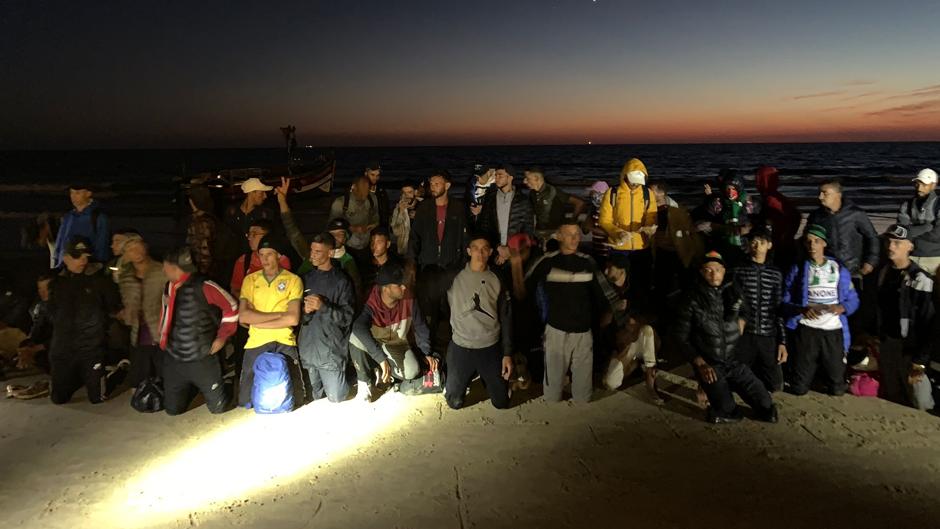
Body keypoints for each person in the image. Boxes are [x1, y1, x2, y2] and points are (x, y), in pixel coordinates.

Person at [509, 221, 610, 403]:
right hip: (556, 334)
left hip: (583, 335)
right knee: (552, 397)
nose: (574, 238)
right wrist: (516, 265)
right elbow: (521, 293)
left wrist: (607, 317)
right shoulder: (547, 261)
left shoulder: (588, 262)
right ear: (559, 236)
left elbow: (604, 295)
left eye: (577, 234)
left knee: (583, 398)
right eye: (569, 234)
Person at [675, 251, 778, 423]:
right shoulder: (691, 299)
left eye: (718, 269)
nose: (714, 274)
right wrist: (700, 364)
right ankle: (717, 396)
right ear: (701, 272)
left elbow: (746, 310)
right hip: (710, 364)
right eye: (708, 270)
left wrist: (742, 322)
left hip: (733, 360)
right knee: (726, 411)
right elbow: (680, 337)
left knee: (767, 407)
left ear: (724, 271)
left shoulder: (732, 291)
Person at [159, 247, 240, 415]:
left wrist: (222, 337)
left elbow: (231, 306)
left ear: (175, 267)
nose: (163, 269)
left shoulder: (205, 285)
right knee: (173, 410)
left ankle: (229, 383)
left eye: (165, 266)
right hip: (175, 357)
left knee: (218, 408)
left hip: (202, 356)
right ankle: (191, 386)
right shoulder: (169, 287)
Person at [782, 225, 860, 396]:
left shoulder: (839, 268)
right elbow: (784, 299)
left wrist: (843, 307)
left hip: (833, 329)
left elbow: (853, 298)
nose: (812, 245)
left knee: (837, 388)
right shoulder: (798, 268)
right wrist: (800, 309)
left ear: (824, 244)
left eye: (816, 241)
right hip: (807, 328)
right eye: (808, 241)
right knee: (799, 388)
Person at [349, 262, 438, 402]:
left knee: (412, 371)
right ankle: (364, 383)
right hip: (375, 342)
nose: (404, 287)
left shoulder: (409, 299)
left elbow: (421, 326)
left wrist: (426, 353)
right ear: (385, 288)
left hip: (397, 344)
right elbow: (358, 326)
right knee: (355, 337)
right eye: (398, 285)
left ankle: (385, 374)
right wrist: (380, 358)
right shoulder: (371, 299)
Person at [47, 237, 122, 404]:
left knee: (97, 398)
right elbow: (50, 311)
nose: (83, 260)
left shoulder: (100, 281)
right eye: (77, 256)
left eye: (85, 256)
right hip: (63, 347)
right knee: (58, 399)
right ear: (66, 258)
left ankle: (117, 371)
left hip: (91, 347)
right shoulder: (57, 283)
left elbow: (114, 307)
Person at [444, 234, 514, 409]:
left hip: (489, 346)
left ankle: (488, 378)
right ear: (469, 251)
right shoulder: (453, 276)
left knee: (501, 402)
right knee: (454, 403)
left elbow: (506, 317)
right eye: (475, 248)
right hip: (461, 345)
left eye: (484, 249)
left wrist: (507, 353)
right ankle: (463, 379)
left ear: (490, 252)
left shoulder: (497, 278)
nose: (480, 253)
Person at [872, 224, 937, 411]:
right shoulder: (883, 273)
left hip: (910, 349)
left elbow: (929, 323)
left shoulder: (921, 279)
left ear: (910, 246)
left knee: (920, 400)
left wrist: (921, 360)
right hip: (888, 343)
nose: (891, 246)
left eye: (897, 243)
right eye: (889, 241)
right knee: (892, 393)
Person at [236, 235, 303, 408]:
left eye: (269, 254)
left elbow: (293, 318)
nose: (264, 259)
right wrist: (279, 315)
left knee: (298, 398)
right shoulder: (250, 280)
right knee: (244, 401)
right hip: (256, 340)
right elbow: (243, 316)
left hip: (284, 339)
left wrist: (257, 320)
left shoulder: (293, 280)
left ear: (279, 256)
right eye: (261, 254)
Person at [407, 169, 469, 354]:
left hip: (452, 267)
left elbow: (466, 238)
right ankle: (429, 355)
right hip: (429, 267)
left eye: (437, 183)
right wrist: (412, 263)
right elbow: (415, 237)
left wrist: (464, 263)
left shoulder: (458, 208)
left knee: (453, 313)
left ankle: (455, 353)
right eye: (431, 184)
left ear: (447, 185)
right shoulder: (424, 208)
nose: (432, 187)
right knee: (429, 314)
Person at [298, 233, 356, 403]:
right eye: (311, 251)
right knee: (313, 395)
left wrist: (323, 307)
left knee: (336, 397)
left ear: (330, 253)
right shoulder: (305, 279)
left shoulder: (341, 281)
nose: (312, 255)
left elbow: (347, 317)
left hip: (330, 351)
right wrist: (305, 312)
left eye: (317, 252)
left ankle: (351, 374)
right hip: (308, 349)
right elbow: (296, 317)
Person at [731, 226, 787, 392]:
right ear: (748, 245)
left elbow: (779, 308)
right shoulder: (738, 271)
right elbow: (732, 302)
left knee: (776, 386)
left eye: (761, 242)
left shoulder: (776, 274)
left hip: (767, 335)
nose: (757, 246)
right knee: (734, 381)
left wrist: (782, 342)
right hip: (745, 334)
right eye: (753, 242)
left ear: (769, 245)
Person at [597, 158, 658, 310]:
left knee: (641, 284)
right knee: (617, 286)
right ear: (625, 175)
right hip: (618, 248)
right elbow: (604, 220)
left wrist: (650, 228)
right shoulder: (612, 193)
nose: (635, 184)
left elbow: (652, 217)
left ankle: (638, 316)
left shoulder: (647, 194)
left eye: (639, 181)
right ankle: (617, 317)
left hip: (642, 248)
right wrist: (618, 233)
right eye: (633, 180)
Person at [116, 235, 168, 388]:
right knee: (140, 379)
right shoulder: (125, 277)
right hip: (138, 331)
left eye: (138, 247)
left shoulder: (161, 271)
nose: (136, 252)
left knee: (163, 375)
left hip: (160, 329)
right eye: (130, 250)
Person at [806, 179, 879, 277]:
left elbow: (872, 237)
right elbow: (806, 239)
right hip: (826, 270)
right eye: (819, 193)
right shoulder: (816, 216)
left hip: (852, 270)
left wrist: (870, 261)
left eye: (825, 193)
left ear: (838, 195)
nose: (820, 197)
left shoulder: (855, 214)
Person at [648, 181, 703, 304]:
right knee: (661, 286)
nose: (647, 193)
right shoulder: (649, 210)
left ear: (661, 193)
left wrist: (697, 254)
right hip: (661, 252)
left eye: (651, 190)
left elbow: (690, 232)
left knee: (685, 285)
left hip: (679, 253)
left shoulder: (677, 210)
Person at [476, 164, 534, 267]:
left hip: (516, 254)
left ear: (510, 177)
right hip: (494, 253)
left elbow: (528, 230)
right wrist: (498, 248)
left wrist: (510, 250)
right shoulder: (489, 199)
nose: (496, 178)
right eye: (495, 175)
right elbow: (484, 227)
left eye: (500, 175)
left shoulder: (523, 201)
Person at [186, 185, 236, 287]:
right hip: (220, 273)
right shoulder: (215, 220)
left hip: (208, 277)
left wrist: (200, 277)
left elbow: (204, 252)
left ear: (192, 202)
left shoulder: (201, 223)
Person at [229, 218, 292, 297]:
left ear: (267, 236)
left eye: (254, 234)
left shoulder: (281, 259)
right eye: (249, 234)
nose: (249, 238)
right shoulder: (243, 260)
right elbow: (235, 289)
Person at [328, 173, 380, 267]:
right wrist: (352, 228)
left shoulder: (372, 199)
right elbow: (332, 226)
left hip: (366, 244)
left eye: (367, 187)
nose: (364, 191)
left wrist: (371, 226)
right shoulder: (340, 203)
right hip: (348, 246)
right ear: (354, 187)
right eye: (361, 187)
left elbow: (376, 217)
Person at [754, 166, 801, 269]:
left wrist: (783, 237)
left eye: (758, 179)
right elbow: (796, 215)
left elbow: (772, 224)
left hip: (778, 247)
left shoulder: (771, 201)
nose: (756, 183)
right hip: (785, 244)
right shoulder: (776, 197)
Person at [53, 182, 110, 267]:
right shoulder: (68, 216)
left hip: (86, 265)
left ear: (88, 193)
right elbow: (61, 241)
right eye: (71, 193)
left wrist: (97, 264)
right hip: (66, 265)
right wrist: (58, 261)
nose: (73, 196)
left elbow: (102, 243)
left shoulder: (99, 217)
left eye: (77, 193)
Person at [523, 166, 585, 243]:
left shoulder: (554, 192)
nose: (524, 181)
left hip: (555, 233)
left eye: (527, 178)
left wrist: (572, 221)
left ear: (536, 178)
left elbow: (579, 203)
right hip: (539, 233)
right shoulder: (532, 193)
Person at [897, 168, 940, 276]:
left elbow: (938, 234)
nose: (919, 188)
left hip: (935, 259)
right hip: (912, 257)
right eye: (917, 184)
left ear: (933, 185)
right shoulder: (907, 205)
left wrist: (912, 234)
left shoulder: (938, 205)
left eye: (924, 184)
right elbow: (902, 232)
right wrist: (928, 227)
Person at [224, 177, 277, 255]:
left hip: (257, 258)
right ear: (252, 192)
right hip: (235, 259)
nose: (265, 196)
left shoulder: (265, 214)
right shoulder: (232, 211)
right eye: (262, 193)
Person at [14, 273, 55, 372]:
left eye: (46, 289)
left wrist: (38, 348)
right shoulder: (41, 306)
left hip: (61, 345)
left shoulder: (65, 309)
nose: (42, 292)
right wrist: (29, 343)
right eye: (40, 289)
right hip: (46, 342)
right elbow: (37, 327)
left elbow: (65, 337)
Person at [323, 217, 363, 299]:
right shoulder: (317, 254)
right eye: (332, 234)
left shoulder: (349, 260)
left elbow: (356, 289)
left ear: (345, 238)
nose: (335, 237)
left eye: (340, 234)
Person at [360, 227, 401, 295]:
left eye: (379, 242)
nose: (374, 246)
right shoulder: (364, 265)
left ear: (387, 244)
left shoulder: (396, 266)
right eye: (372, 242)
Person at [582, 180, 611, 264]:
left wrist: (591, 228)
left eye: (593, 194)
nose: (592, 197)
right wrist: (590, 212)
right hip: (597, 251)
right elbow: (585, 231)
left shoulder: (610, 211)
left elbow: (609, 232)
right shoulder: (594, 210)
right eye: (591, 195)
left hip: (607, 253)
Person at [390, 182, 421, 256]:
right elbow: (395, 232)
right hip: (405, 248)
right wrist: (401, 212)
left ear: (415, 192)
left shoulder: (423, 206)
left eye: (410, 192)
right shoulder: (398, 208)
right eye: (404, 193)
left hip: (420, 247)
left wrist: (419, 216)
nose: (407, 196)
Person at [364, 162, 391, 229]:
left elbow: (386, 212)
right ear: (366, 174)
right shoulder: (359, 191)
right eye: (372, 175)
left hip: (381, 229)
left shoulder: (382, 192)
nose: (375, 178)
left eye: (377, 175)